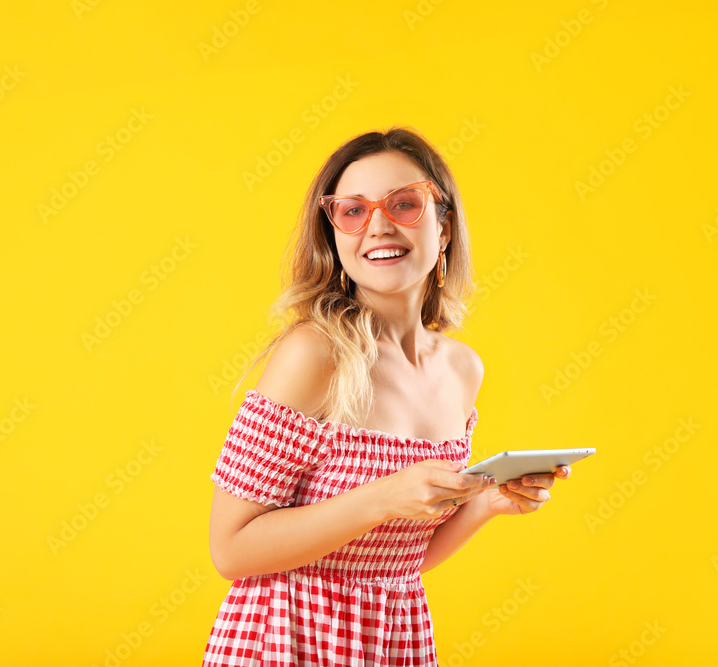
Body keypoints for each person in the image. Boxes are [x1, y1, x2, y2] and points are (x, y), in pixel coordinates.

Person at [203, 126, 572, 666]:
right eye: (352, 211)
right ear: (333, 235)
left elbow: (397, 559)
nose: (377, 225)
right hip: (286, 641)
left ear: (444, 229)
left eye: (404, 204)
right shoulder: (314, 355)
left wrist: (487, 503)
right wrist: (382, 496)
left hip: (394, 639)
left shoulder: (463, 369)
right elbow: (230, 549)